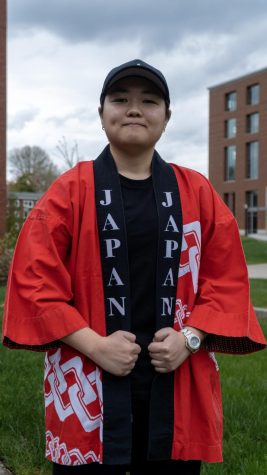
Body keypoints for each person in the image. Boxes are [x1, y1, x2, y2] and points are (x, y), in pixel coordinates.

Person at [2, 59, 266, 475]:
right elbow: (36, 283)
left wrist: (191, 338)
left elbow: (227, 277)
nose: (134, 109)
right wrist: (95, 345)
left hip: (177, 380)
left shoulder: (195, 190)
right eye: (120, 99)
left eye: (149, 100)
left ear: (167, 116)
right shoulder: (70, 191)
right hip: (87, 381)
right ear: (102, 114)